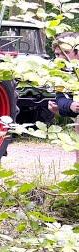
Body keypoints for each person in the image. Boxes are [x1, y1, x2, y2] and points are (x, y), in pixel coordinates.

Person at [47, 31, 79, 161]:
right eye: (56, 54)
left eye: (64, 53)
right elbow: (60, 98)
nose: (59, 58)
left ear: (77, 52)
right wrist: (68, 106)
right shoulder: (61, 73)